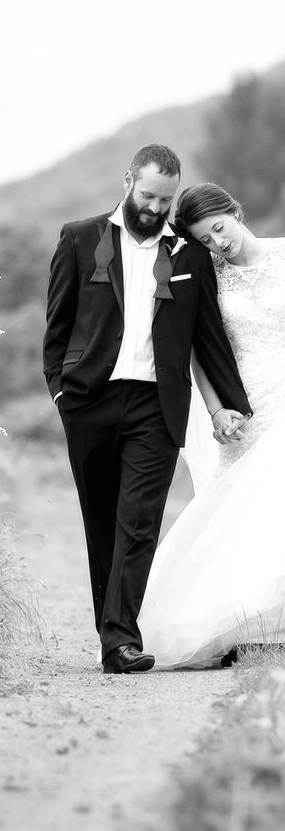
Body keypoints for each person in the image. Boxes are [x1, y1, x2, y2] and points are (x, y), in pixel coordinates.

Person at [43, 146, 251, 674]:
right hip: (89, 400)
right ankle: (110, 630)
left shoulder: (190, 255)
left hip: (157, 405)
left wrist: (230, 404)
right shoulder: (79, 238)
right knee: (102, 521)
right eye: (148, 195)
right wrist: (62, 394)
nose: (156, 208)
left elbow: (209, 338)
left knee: (139, 522)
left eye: (166, 199)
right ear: (128, 180)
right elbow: (58, 326)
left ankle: (120, 641)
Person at [138, 182, 285, 669]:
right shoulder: (209, 276)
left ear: (234, 211)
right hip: (249, 403)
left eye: (219, 229)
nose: (218, 244)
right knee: (247, 510)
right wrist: (217, 407)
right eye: (205, 239)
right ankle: (247, 623)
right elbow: (200, 349)